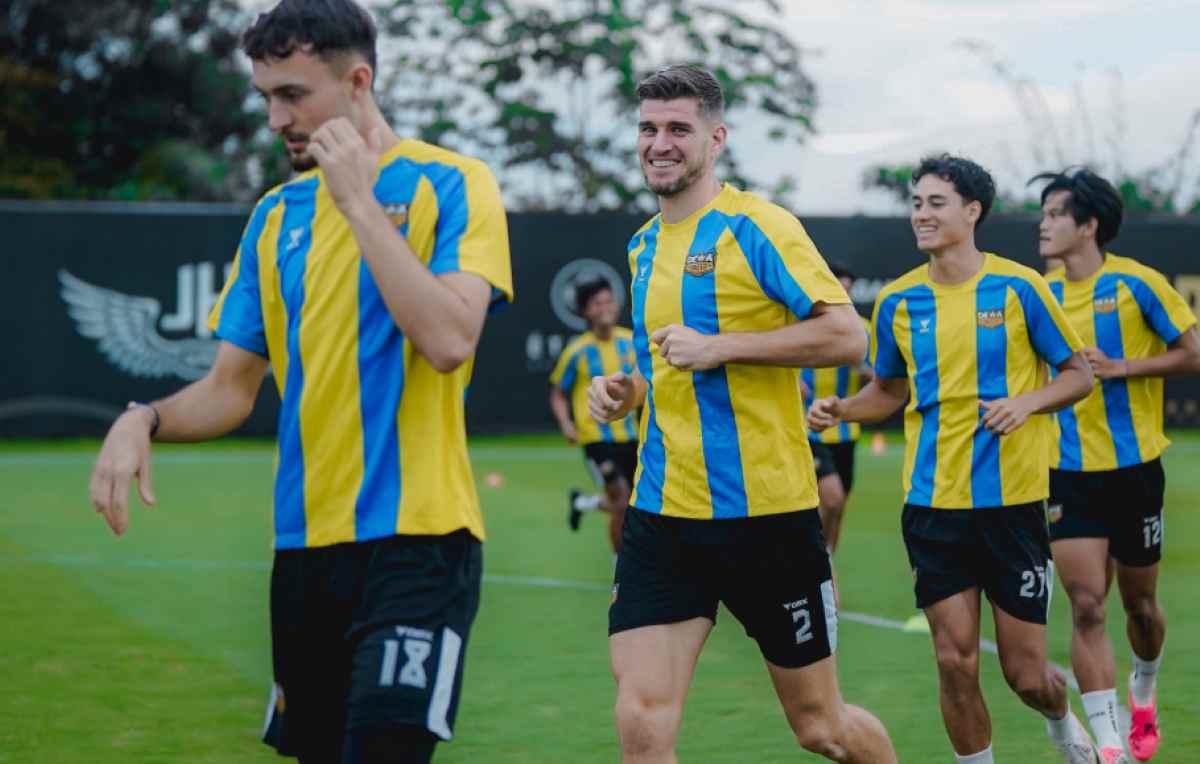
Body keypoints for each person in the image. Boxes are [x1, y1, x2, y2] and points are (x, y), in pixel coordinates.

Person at [86, 1, 512, 762]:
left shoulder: (454, 183)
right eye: (265, 97)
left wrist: (357, 202)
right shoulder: (276, 217)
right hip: (305, 555)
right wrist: (141, 419)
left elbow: (450, 339)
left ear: (357, 82)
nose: (276, 117)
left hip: (420, 545)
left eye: (293, 95)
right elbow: (230, 388)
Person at [588, 64, 897, 764]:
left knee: (823, 729)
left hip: (769, 518)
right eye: (647, 128)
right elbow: (661, 365)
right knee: (640, 720)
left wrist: (724, 346)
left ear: (715, 138)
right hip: (664, 516)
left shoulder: (758, 226)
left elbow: (848, 335)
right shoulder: (642, 247)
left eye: (677, 129)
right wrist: (624, 391)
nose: (659, 143)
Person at [808, 154, 1101, 764]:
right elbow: (889, 390)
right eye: (916, 202)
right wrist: (841, 410)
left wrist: (1027, 403)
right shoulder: (897, 302)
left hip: (1013, 506)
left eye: (936, 203)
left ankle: (1062, 721)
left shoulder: (1021, 288)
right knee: (953, 657)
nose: (921, 213)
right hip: (932, 506)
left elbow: (1077, 376)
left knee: (1026, 675)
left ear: (973, 211)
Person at [1034, 167, 1200, 763]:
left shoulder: (1140, 284)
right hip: (1066, 472)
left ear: (1089, 225)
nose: (1044, 224)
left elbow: (1193, 353)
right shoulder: (1039, 294)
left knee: (1141, 608)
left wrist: (1122, 367)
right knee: (1084, 603)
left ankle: (1144, 684)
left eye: (1055, 214)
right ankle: (1107, 742)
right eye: (1043, 213)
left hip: (1135, 470)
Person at [549, 277, 639, 553]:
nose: (605, 307)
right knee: (621, 500)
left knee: (635, 503)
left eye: (609, 301)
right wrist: (566, 424)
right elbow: (558, 392)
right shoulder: (577, 351)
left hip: (632, 435)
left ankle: (583, 503)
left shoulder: (631, 342)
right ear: (586, 311)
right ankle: (620, 572)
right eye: (598, 303)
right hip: (596, 438)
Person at [800, 262, 873, 554]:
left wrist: (866, 370)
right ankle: (813, 555)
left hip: (846, 430)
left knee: (839, 507)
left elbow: (884, 379)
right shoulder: (801, 324)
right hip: (810, 427)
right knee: (832, 499)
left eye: (848, 292)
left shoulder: (863, 330)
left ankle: (828, 562)